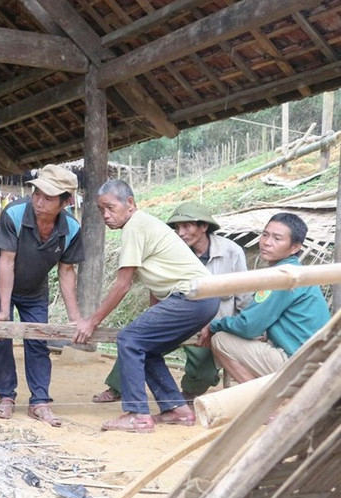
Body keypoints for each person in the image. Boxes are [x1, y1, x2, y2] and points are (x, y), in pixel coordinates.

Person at [72, 180, 219, 433]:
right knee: (147, 348)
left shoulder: (135, 226)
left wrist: (91, 321)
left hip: (191, 297)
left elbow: (122, 285)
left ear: (130, 203)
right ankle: (177, 409)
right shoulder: (146, 224)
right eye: (101, 210)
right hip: (204, 300)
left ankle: (137, 414)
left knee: (129, 340)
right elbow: (158, 283)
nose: (106, 215)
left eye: (110, 207)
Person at [92, 201, 250, 404]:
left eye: (186, 226)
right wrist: (153, 317)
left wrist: (226, 328)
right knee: (138, 341)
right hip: (177, 314)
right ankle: (117, 387)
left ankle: (185, 398)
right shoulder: (170, 247)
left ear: (203, 226)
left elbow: (244, 296)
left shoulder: (231, 252)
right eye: (177, 228)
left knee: (203, 371)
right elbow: (157, 287)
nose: (181, 233)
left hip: (212, 325)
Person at [0, 165, 83, 426]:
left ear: (67, 201)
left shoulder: (72, 228)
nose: (39, 201)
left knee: (38, 341)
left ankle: (39, 401)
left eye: (48, 197)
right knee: (2, 338)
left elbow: (66, 272)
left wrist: (75, 318)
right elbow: (6, 262)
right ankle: (6, 397)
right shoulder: (14, 214)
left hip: (35, 290)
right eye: (37, 193)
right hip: (2, 284)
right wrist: (4, 311)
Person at [209, 213, 330, 383]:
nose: (267, 242)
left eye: (277, 238)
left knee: (221, 340)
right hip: (320, 363)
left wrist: (214, 325)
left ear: (295, 247)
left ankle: (266, 404)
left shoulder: (282, 277)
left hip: (301, 365)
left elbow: (248, 326)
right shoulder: (296, 271)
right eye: (265, 235)